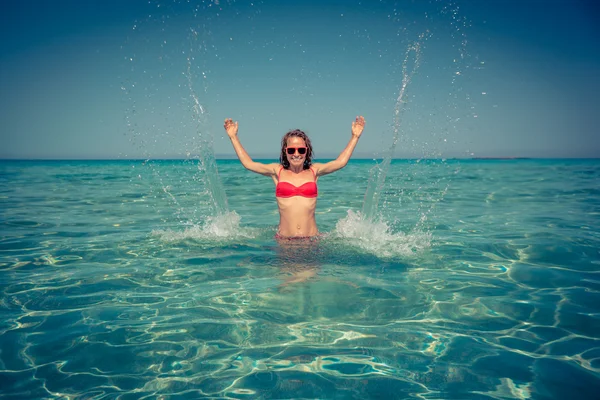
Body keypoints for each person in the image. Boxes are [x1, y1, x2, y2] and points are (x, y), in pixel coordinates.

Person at [224, 116, 365, 239]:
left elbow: (340, 162)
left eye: (301, 150)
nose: (296, 154)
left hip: (312, 240)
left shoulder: (314, 171)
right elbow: (248, 164)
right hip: (285, 241)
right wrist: (233, 137)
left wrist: (355, 137)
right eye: (291, 150)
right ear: (285, 152)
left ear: (307, 152)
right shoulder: (277, 171)